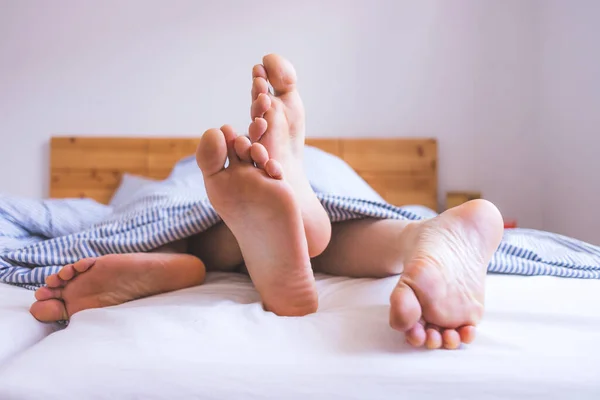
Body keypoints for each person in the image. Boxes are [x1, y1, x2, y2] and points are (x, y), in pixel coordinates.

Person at [29, 54, 504, 350]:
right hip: (332, 185)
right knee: (349, 225)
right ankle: (419, 233)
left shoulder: (202, 173)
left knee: (183, 218)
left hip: (196, 202)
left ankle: (185, 258)